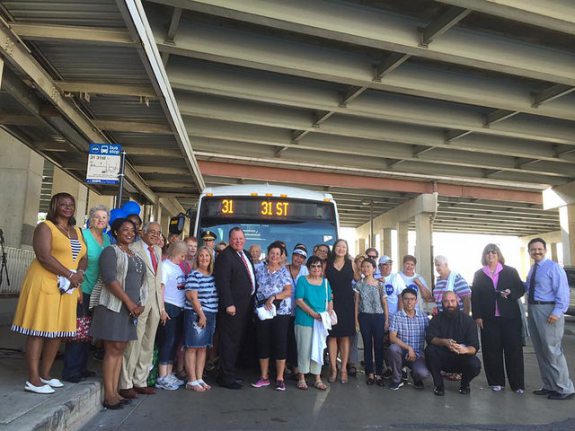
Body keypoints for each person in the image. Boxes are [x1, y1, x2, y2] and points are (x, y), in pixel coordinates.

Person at [12, 193, 87, 394]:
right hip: (45, 282)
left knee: (57, 331)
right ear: (54, 206)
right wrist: (69, 274)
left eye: (70, 204)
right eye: (62, 204)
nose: (67, 207)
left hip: (68, 286)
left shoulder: (77, 231)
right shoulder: (45, 227)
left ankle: (45, 374)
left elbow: (83, 257)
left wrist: (79, 273)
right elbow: (44, 256)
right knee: (39, 330)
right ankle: (33, 379)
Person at [91, 218, 145, 409]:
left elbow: (141, 282)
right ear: (115, 232)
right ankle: (109, 395)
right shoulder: (110, 251)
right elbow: (110, 279)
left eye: (132, 230)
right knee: (112, 349)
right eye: (125, 229)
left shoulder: (136, 255)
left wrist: (140, 304)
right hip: (113, 306)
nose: (129, 233)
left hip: (130, 310)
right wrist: (129, 302)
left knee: (120, 349)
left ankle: (115, 392)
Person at [118, 222, 166, 399]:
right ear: (142, 233)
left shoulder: (158, 251)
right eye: (151, 232)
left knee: (148, 344)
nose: (155, 235)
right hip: (139, 302)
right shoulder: (133, 248)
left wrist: (161, 307)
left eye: (158, 232)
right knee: (134, 344)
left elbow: (158, 279)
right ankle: (126, 383)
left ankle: (140, 381)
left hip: (154, 303)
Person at [62, 205, 110, 383]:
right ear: (91, 218)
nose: (100, 220)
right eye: (97, 217)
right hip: (83, 288)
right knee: (78, 330)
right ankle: (71, 370)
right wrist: (78, 288)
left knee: (88, 331)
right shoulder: (82, 234)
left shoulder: (106, 239)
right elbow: (75, 260)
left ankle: (82, 367)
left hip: (98, 292)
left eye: (104, 218)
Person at [471, 244, 525, 393]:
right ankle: (496, 382)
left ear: (498, 254)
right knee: (491, 351)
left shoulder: (510, 271)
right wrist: (477, 316)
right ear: (484, 256)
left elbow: (520, 289)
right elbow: (475, 297)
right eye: (487, 252)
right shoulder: (479, 274)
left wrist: (510, 292)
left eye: (493, 252)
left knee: (513, 350)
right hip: (488, 319)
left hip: (510, 318)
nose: (490, 254)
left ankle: (517, 385)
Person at [526, 238, 574, 400]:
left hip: (549, 311)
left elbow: (563, 292)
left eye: (539, 249)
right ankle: (549, 385)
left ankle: (564, 388)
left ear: (545, 250)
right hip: (534, 309)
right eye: (533, 249)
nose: (536, 252)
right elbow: (530, 287)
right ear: (529, 252)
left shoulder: (554, 268)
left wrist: (557, 312)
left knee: (552, 350)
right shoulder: (533, 269)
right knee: (541, 350)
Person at [214, 227, 255, 389]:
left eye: (240, 238)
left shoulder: (245, 254)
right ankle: (225, 377)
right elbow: (222, 282)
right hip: (232, 308)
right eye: (235, 238)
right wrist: (228, 304)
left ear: (244, 239)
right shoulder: (225, 256)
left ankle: (230, 372)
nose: (238, 241)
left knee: (236, 341)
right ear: (230, 240)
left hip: (245, 306)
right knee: (229, 342)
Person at [251, 242, 293, 391]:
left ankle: (280, 378)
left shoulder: (284, 272)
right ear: (267, 254)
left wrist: (274, 297)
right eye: (272, 253)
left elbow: (288, 291)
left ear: (281, 257)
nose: (274, 256)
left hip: (281, 312)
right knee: (263, 342)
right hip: (263, 312)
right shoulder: (258, 269)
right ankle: (264, 377)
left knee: (280, 343)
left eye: (277, 254)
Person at [425, 291, 481, 396]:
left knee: (475, 365)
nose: (450, 304)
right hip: (443, 358)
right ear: (442, 303)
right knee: (429, 351)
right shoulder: (436, 320)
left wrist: (465, 350)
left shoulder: (468, 321)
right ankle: (439, 385)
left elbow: (474, 346)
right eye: (446, 301)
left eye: (452, 301)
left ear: (457, 301)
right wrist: (444, 342)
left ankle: (465, 384)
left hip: (461, 358)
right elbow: (430, 338)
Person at [294, 255, 332, 391]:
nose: (316, 269)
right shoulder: (303, 280)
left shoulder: (325, 282)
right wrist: (313, 314)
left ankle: (317, 378)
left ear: (322, 268)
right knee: (304, 349)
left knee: (319, 348)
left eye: (318, 266)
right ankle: (302, 378)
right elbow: (299, 300)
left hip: (320, 322)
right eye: (313, 266)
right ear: (309, 268)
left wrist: (327, 314)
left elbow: (330, 300)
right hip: (305, 319)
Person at [184, 246, 219, 392]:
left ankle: (199, 378)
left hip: (211, 314)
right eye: (201, 256)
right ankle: (191, 380)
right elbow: (192, 297)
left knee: (203, 348)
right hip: (196, 315)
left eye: (207, 256)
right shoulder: (194, 275)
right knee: (192, 347)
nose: (204, 258)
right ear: (197, 258)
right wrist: (202, 315)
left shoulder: (212, 275)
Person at [155, 241, 188, 391]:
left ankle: (168, 373)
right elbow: (161, 289)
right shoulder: (165, 266)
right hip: (168, 306)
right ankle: (162, 376)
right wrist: (162, 309)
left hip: (179, 307)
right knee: (167, 341)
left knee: (174, 342)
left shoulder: (177, 267)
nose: (183, 257)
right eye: (182, 254)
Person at [325, 239, 357, 384]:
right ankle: (333, 369)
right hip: (331, 303)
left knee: (345, 337)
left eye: (344, 247)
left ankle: (343, 368)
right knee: (331, 337)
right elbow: (322, 282)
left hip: (347, 304)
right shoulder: (327, 263)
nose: (341, 249)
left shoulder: (352, 263)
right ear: (334, 248)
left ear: (347, 249)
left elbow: (359, 279)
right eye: (338, 246)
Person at [354, 258, 389, 386]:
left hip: (378, 317)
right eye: (363, 266)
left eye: (368, 266)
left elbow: (384, 303)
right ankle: (370, 373)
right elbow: (357, 303)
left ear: (374, 269)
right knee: (367, 345)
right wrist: (356, 319)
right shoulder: (359, 284)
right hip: (364, 317)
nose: (365, 269)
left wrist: (386, 319)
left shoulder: (380, 284)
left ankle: (379, 374)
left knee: (378, 345)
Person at [389, 288, 430, 390]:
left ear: (416, 301)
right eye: (406, 299)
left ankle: (415, 377)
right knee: (393, 348)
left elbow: (430, 336)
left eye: (412, 299)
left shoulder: (423, 317)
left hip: (417, 355)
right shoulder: (397, 317)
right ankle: (397, 379)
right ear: (402, 300)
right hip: (401, 353)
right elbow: (392, 337)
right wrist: (408, 348)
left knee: (423, 373)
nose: (409, 302)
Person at [378, 255, 406, 379]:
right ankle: (389, 367)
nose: (388, 266)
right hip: (381, 316)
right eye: (385, 264)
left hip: (395, 316)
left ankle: (402, 369)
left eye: (390, 264)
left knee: (397, 343)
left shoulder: (396, 277)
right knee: (383, 344)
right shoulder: (376, 277)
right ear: (379, 266)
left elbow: (401, 296)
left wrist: (399, 315)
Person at [285, 244, 309, 377]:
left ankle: (295, 366)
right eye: (296, 256)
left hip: (300, 311)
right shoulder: (284, 268)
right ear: (292, 256)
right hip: (284, 310)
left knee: (296, 340)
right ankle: (283, 367)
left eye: (301, 257)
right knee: (284, 339)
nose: (298, 259)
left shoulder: (305, 270)